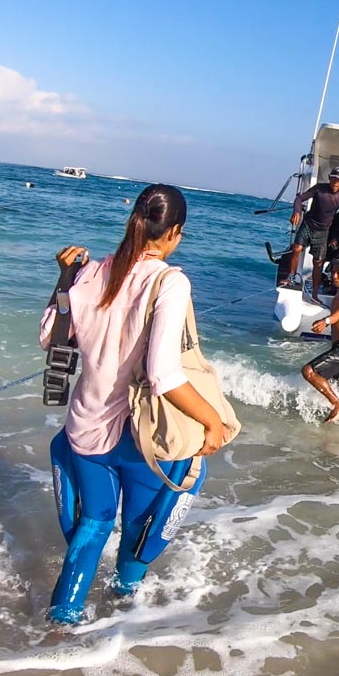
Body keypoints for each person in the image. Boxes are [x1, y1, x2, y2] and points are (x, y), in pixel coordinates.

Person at [39, 184, 232, 625]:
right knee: (138, 534)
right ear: (175, 232)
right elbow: (164, 375)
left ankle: (60, 622)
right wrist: (213, 422)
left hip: (86, 427)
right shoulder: (170, 281)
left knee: (93, 523)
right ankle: (122, 609)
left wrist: (63, 279)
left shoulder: (89, 273)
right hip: (143, 437)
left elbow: (51, 337)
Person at [302, 258, 339, 422]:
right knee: (338, 387)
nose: (334, 276)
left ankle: (337, 405)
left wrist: (325, 321)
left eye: (338, 273)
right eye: (333, 272)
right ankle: (337, 423)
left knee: (309, 371)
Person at [287, 167, 339, 286]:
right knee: (297, 249)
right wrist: (296, 211)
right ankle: (290, 277)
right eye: (334, 179)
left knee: (318, 262)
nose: (335, 182)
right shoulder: (319, 188)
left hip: (323, 231)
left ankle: (315, 294)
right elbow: (299, 199)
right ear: (329, 178)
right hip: (308, 224)